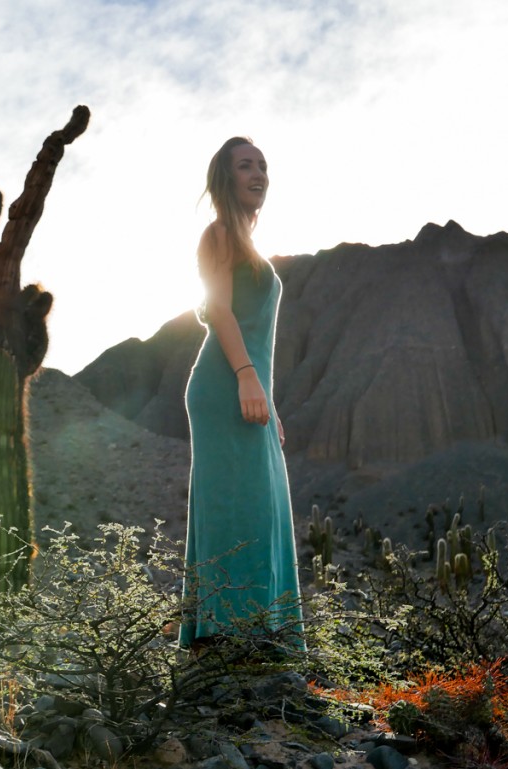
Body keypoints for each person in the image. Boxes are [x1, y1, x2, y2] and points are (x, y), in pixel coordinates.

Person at [179, 136, 304, 651]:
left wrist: (268, 401)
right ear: (225, 178)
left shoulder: (247, 244)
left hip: (250, 387)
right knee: (237, 505)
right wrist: (248, 376)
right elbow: (220, 311)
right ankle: (228, 643)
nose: (258, 174)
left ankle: (263, 636)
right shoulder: (219, 234)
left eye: (263, 166)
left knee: (265, 504)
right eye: (246, 165)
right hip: (225, 383)